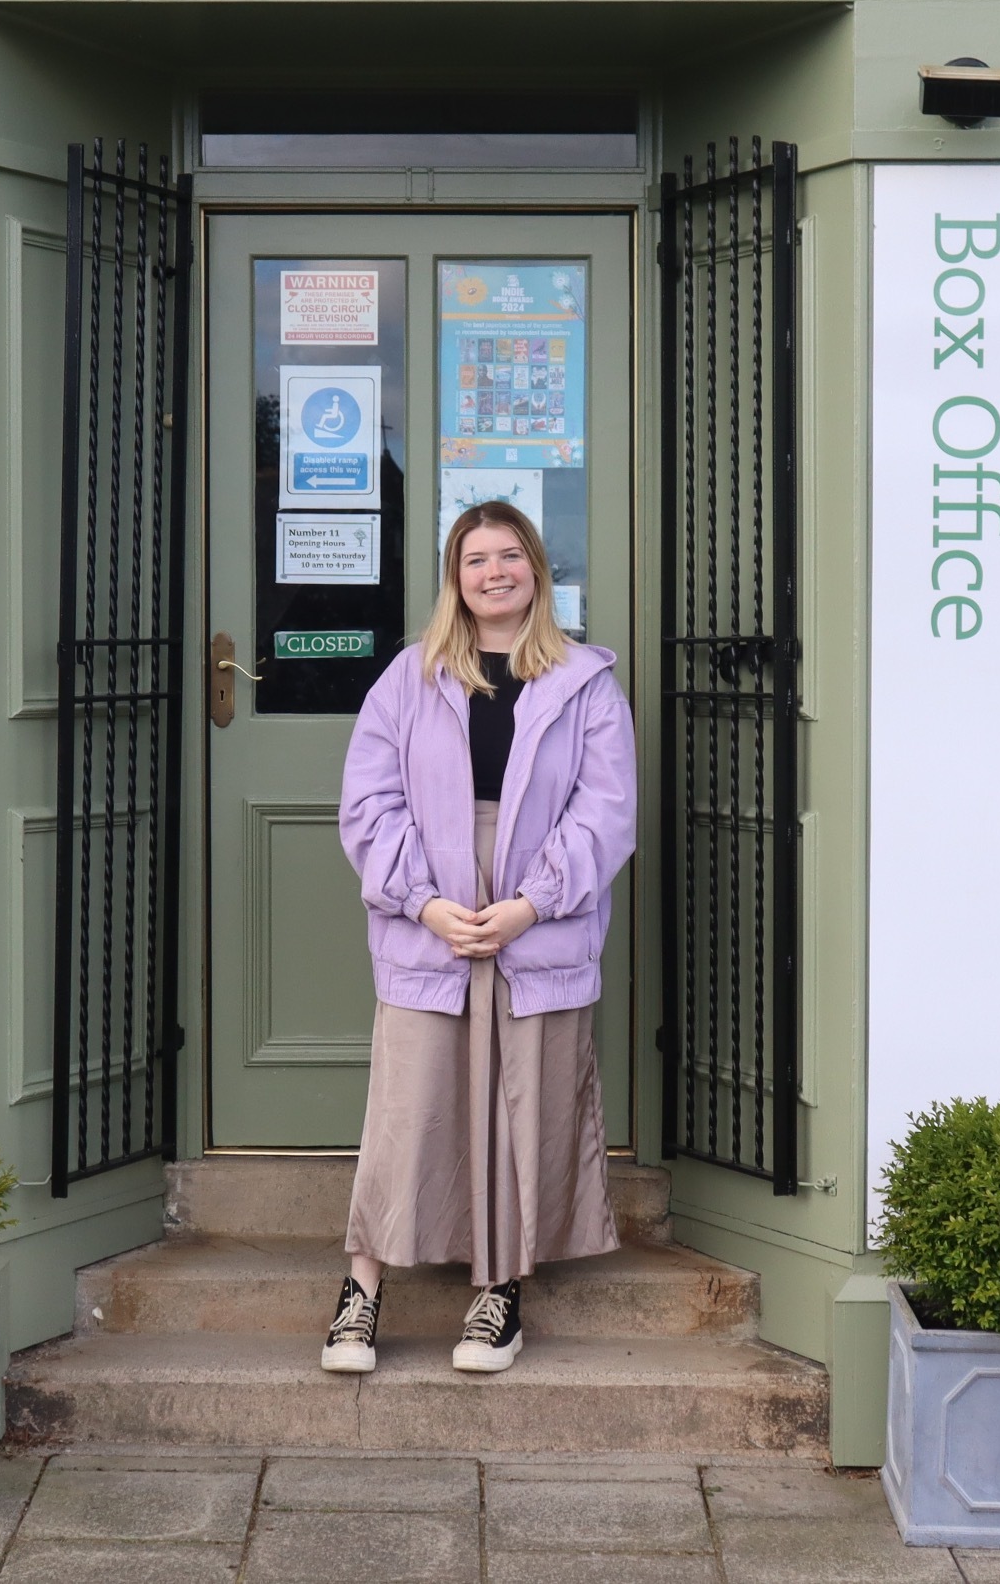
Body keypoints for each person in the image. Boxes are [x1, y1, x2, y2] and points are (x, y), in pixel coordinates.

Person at [326, 501, 637, 1376]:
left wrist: (530, 905)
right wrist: (424, 903)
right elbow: (369, 804)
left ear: (536, 569)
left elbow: (605, 814)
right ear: (454, 579)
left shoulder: (585, 684)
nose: (493, 572)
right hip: (433, 920)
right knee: (410, 1106)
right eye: (475, 559)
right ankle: (362, 1290)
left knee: (525, 1107)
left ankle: (498, 1292)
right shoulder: (409, 678)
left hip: (537, 925)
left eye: (509, 556)